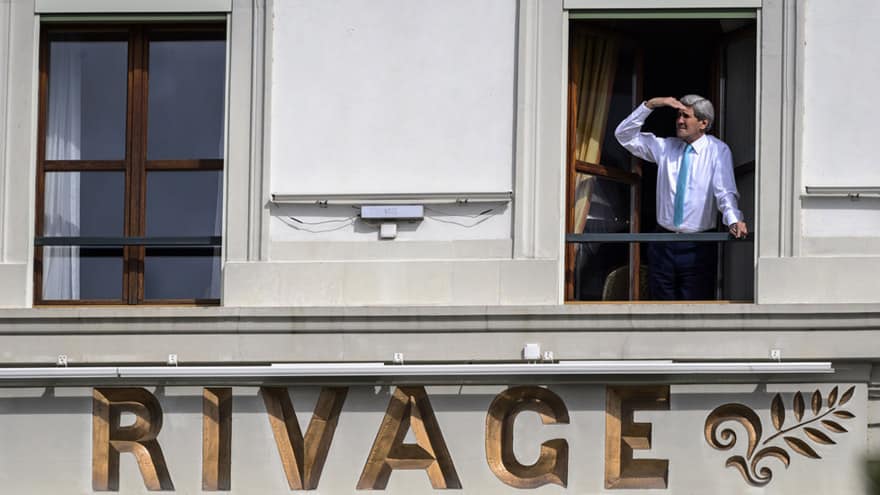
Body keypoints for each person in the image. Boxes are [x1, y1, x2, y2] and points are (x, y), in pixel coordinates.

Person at [614, 95, 748, 300]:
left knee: (694, 307)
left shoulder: (717, 150)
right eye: (678, 115)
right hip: (662, 243)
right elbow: (624, 135)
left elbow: (724, 191)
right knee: (660, 307)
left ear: (703, 123)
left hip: (698, 245)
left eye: (686, 116)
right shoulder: (666, 147)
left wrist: (734, 219)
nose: (679, 121)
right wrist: (651, 105)